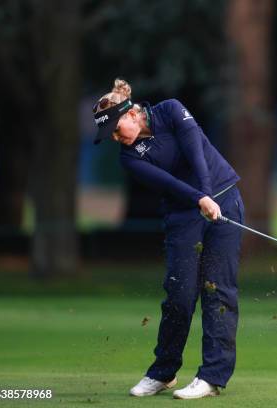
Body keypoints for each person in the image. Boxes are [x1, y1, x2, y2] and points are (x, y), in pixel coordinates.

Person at [92, 79, 244, 399]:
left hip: (224, 198)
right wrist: (200, 199)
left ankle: (212, 377)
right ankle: (164, 372)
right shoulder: (129, 158)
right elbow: (169, 183)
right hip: (183, 213)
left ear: (132, 114)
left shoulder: (171, 110)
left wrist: (207, 194)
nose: (117, 139)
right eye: (111, 137)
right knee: (180, 293)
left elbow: (196, 150)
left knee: (218, 290)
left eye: (117, 130)